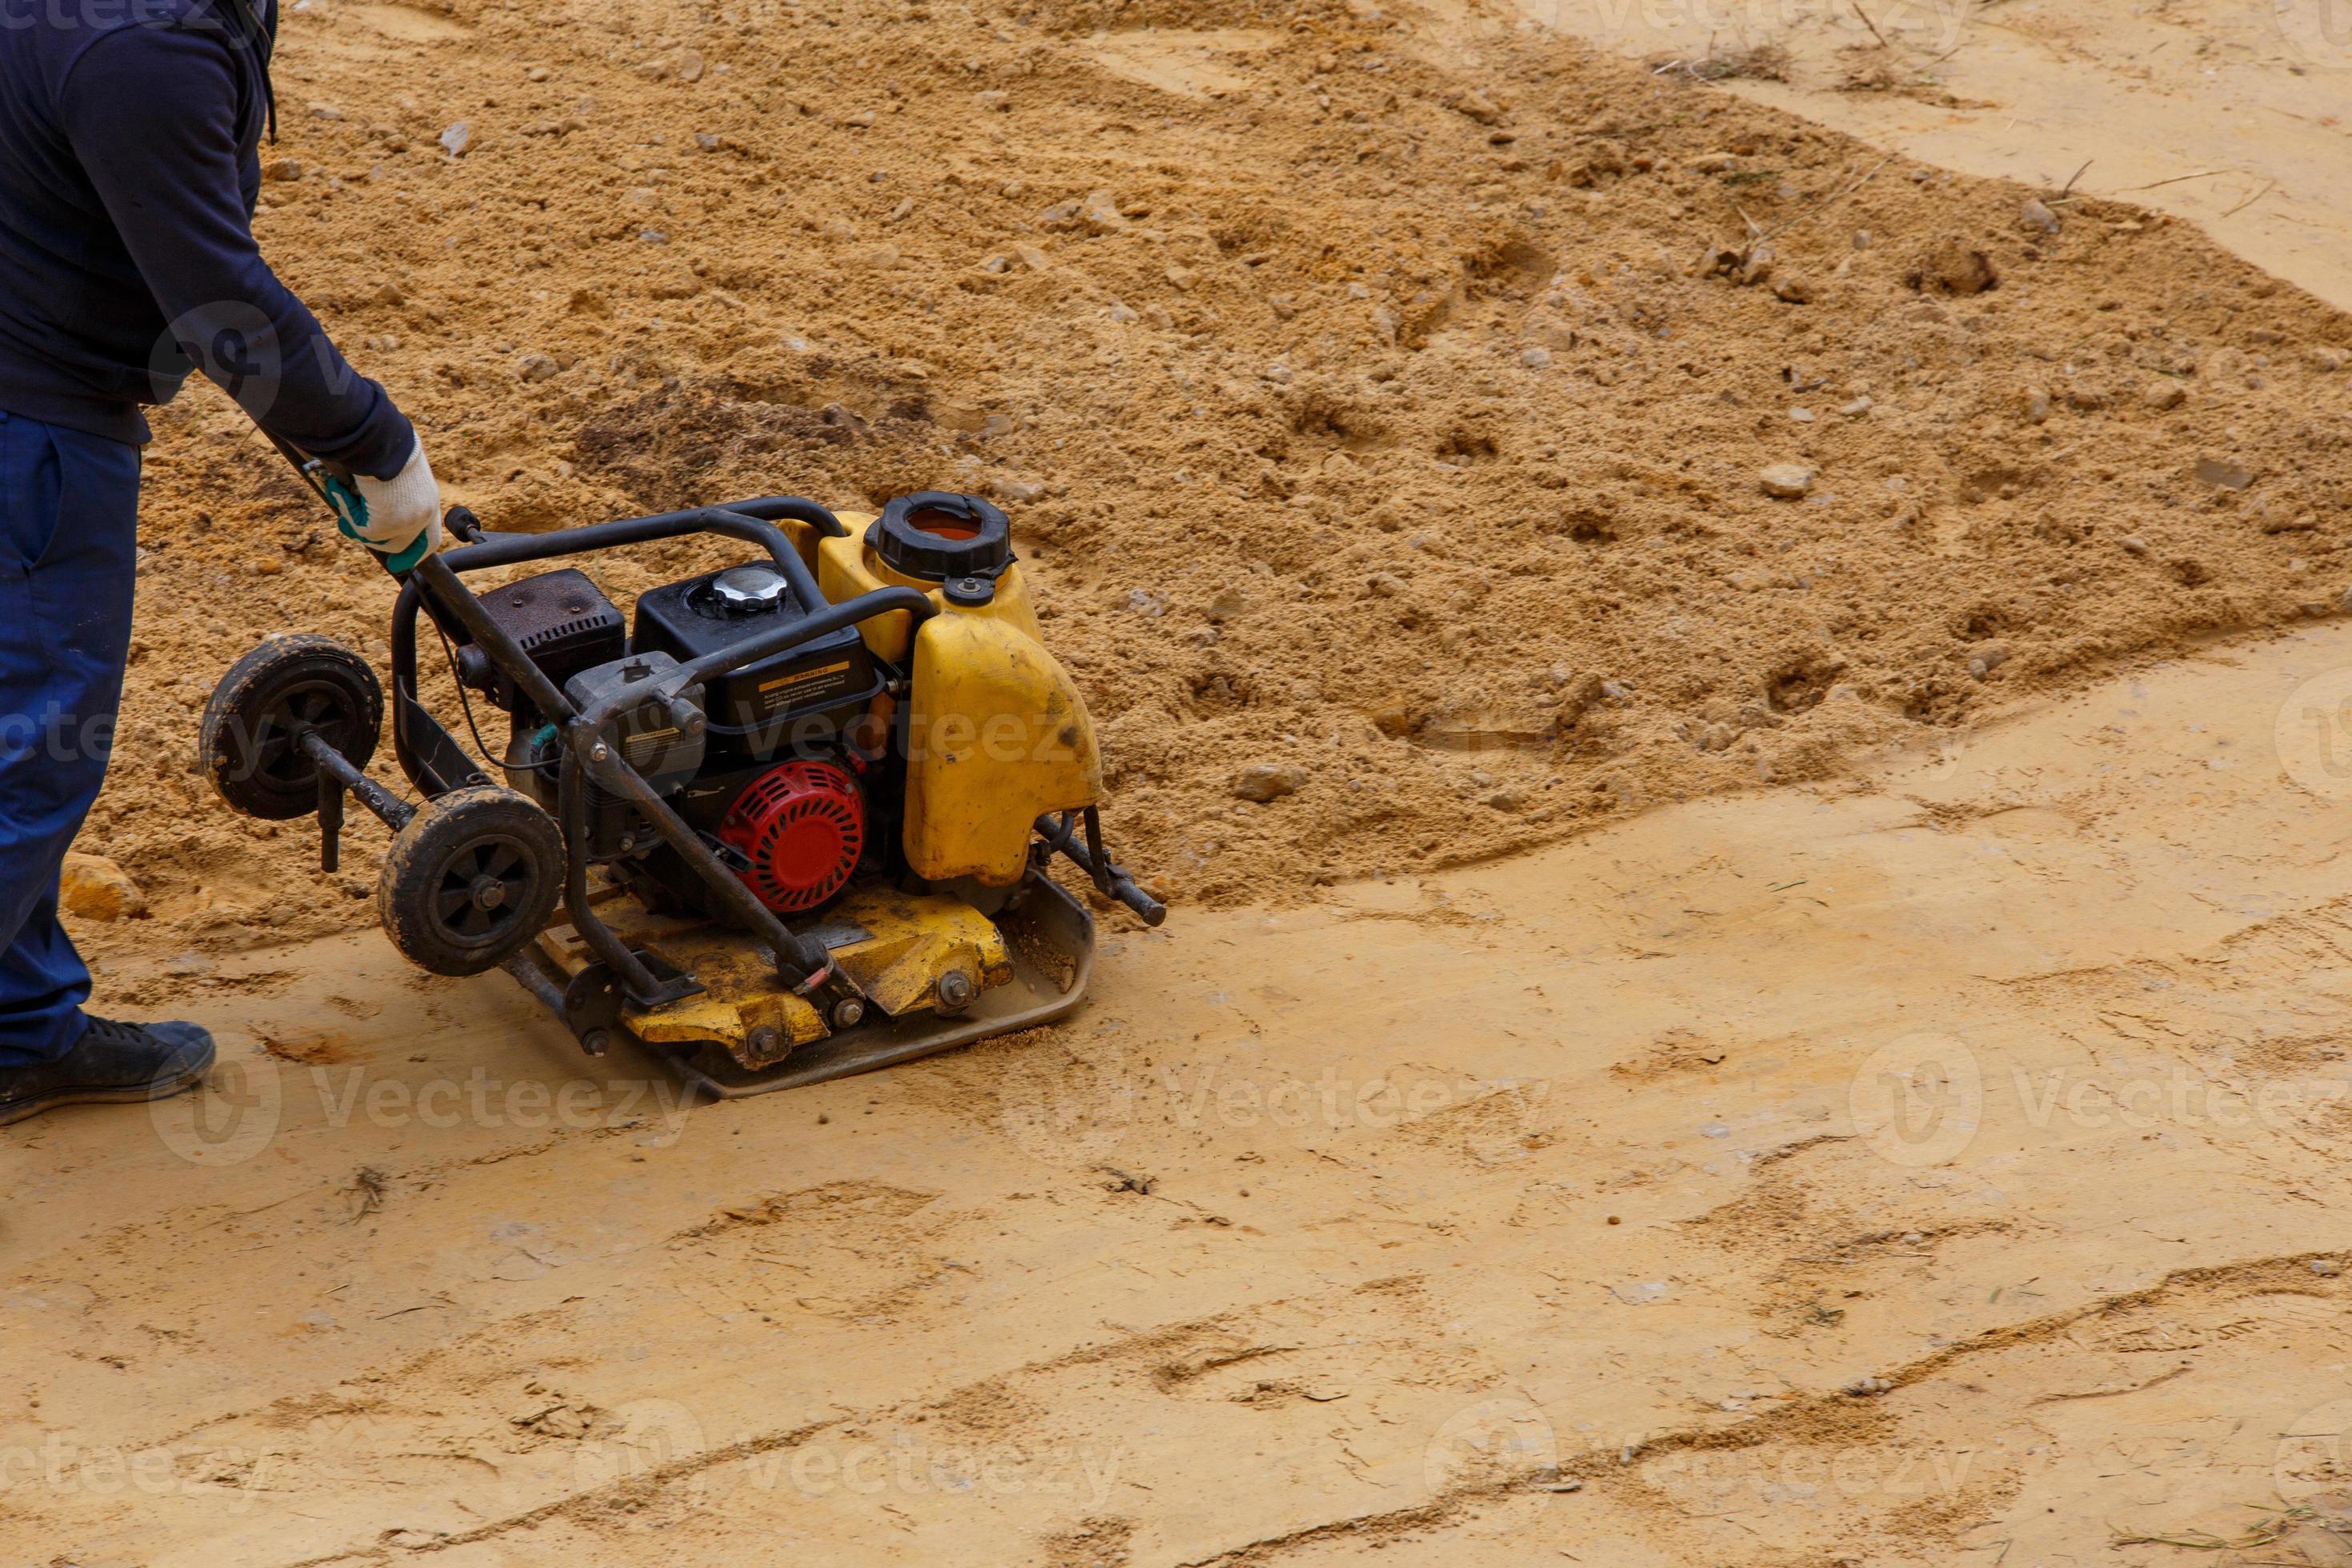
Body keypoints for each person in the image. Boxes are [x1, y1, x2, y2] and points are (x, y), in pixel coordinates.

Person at [0, 0, 438, 1125]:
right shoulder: (141, 45)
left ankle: (19, 1021)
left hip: (35, 374)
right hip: (32, 431)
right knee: (32, 750)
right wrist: (375, 441)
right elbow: (215, 304)